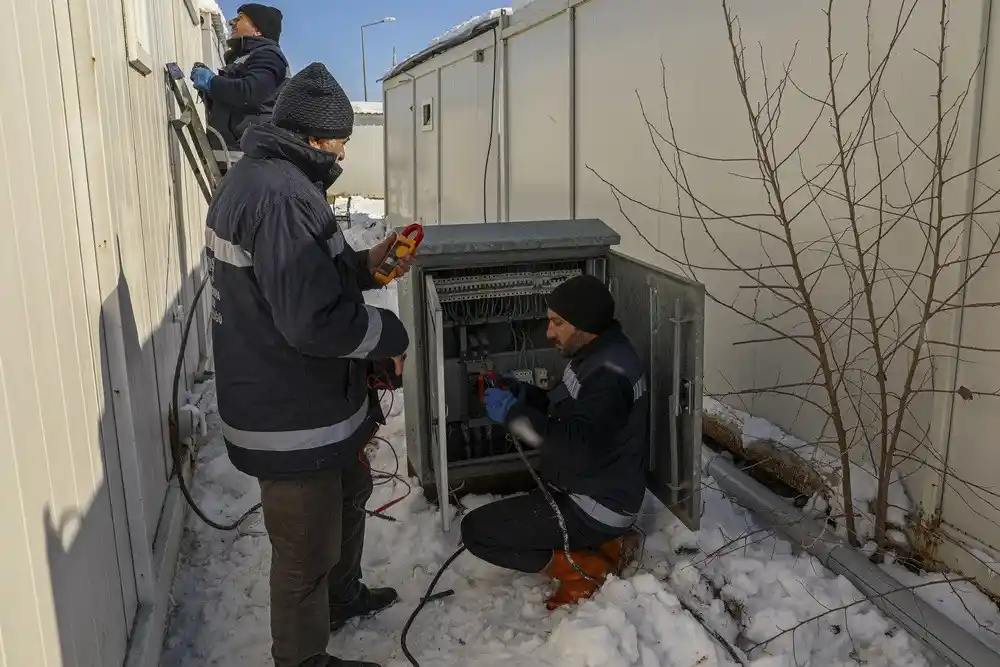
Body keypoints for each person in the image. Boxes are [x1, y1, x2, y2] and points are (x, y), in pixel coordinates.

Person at [204, 62, 410, 667]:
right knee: (304, 547)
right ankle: (302, 658)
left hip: (307, 399)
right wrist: (387, 335)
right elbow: (311, 321)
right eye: (340, 143)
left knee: (351, 488)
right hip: (288, 410)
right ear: (314, 138)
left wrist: (365, 264)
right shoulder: (282, 196)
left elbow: (306, 274)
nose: (343, 153)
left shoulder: (274, 179)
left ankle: (341, 597)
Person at [460, 275, 646, 610]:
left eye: (557, 323)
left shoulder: (608, 377)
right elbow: (563, 409)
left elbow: (573, 448)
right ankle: (603, 546)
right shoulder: (598, 355)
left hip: (597, 505)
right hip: (596, 487)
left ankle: (582, 571)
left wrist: (515, 416)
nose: (549, 333)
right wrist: (521, 394)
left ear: (585, 324)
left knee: (476, 532)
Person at [190, 3, 289, 155]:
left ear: (257, 30)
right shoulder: (246, 57)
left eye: (240, 18)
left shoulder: (269, 56)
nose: (232, 22)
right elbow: (235, 100)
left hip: (250, 153)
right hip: (237, 150)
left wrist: (212, 82)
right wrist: (210, 89)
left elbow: (248, 93)